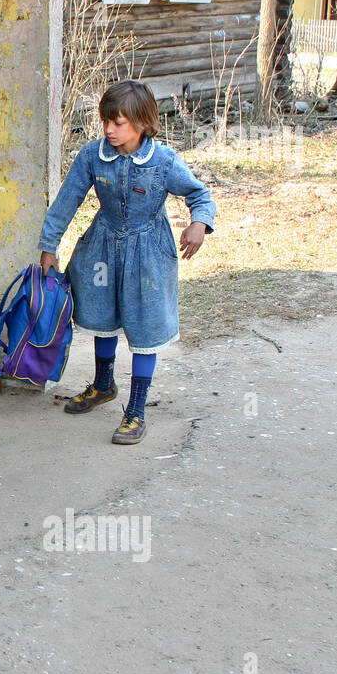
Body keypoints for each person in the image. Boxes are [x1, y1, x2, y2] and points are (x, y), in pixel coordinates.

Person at [38, 80, 216, 444]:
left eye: (118, 123)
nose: (109, 130)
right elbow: (66, 202)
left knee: (144, 323)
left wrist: (199, 223)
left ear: (142, 122)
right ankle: (104, 384)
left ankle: (136, 409)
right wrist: (49, 246)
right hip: (103, 246)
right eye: (106, 121)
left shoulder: (163, 161)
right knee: (102, 314)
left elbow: (200, 194)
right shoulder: (92, 155)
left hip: (148, 252)